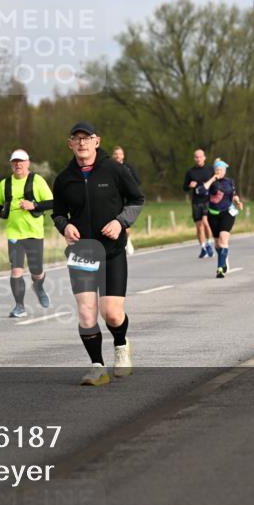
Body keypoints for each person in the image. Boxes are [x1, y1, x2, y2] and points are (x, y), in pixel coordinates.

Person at [52, 122, 144, 386]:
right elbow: (58, 212)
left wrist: (121, 222)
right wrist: (65, 226)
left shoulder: (114, 170)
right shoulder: (64, 179)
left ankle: (121, 343)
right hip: (81, 252)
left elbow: (136, 200)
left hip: (112, 250)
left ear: (97, 141)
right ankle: (97, 366)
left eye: (87, 138)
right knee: (86, 312)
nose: (82, 143)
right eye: (77, 138)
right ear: (70, 144)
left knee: (112, 313)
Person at [0, 149, 55, 318]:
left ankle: (39, 286)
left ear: (28, 163)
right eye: (15, 162)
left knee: (36, 271)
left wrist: (33, 205)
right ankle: (19, 306)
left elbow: (52, 203)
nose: (18, 164)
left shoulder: (37, 181)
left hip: (34, 233)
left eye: (21, 161)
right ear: (11, 164)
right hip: (14, 234)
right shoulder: (4, 184)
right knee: (15, 270)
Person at [202, 159, 244, 278]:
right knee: (217, 243)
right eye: (217, 170)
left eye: (221, 170)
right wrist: (213, 178)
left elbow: (233, 194)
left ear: (225, 171)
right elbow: (202, 190)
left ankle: (220, 268)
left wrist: (238, 202)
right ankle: (224, 259)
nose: (219, 172)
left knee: (223, 239)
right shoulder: (210, 182)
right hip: (213, 214)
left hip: (227, 213)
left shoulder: (229, 182)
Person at [184, 149, 215, 259]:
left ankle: (209, 243)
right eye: (196, 157)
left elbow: (216, 182)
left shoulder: (210, 169)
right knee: (199, 226)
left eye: (200, 157)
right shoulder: (190, 172)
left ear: (204, 158)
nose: (198, 159)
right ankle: (203, 248)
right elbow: (184, 188)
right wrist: (189, 186)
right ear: (194, 158)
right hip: (196, 202)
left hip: (208, 200)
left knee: (206, 222)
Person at [111, 145, 141, 255]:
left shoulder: (128, 168)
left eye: (120, 154)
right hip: (114, 200)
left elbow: (137, 182)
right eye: (116, 154)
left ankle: (127, 240)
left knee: (126, 226)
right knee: (115, 222)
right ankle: (119, 245)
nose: (118, 156)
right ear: (113, 156)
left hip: (126, 200)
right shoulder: (109, 168)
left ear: (123, 156)